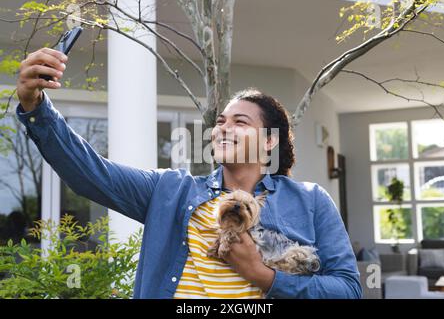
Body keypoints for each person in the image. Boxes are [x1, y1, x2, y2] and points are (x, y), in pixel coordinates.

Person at [15, 48, 362, 299]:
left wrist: (264, 276)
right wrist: (36, 107)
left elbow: (347, 289)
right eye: (221, 122)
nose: (222, 129)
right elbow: (89, 172)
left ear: (269, 140)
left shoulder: (310, 201)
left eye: (240, 122)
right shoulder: (170, 190)